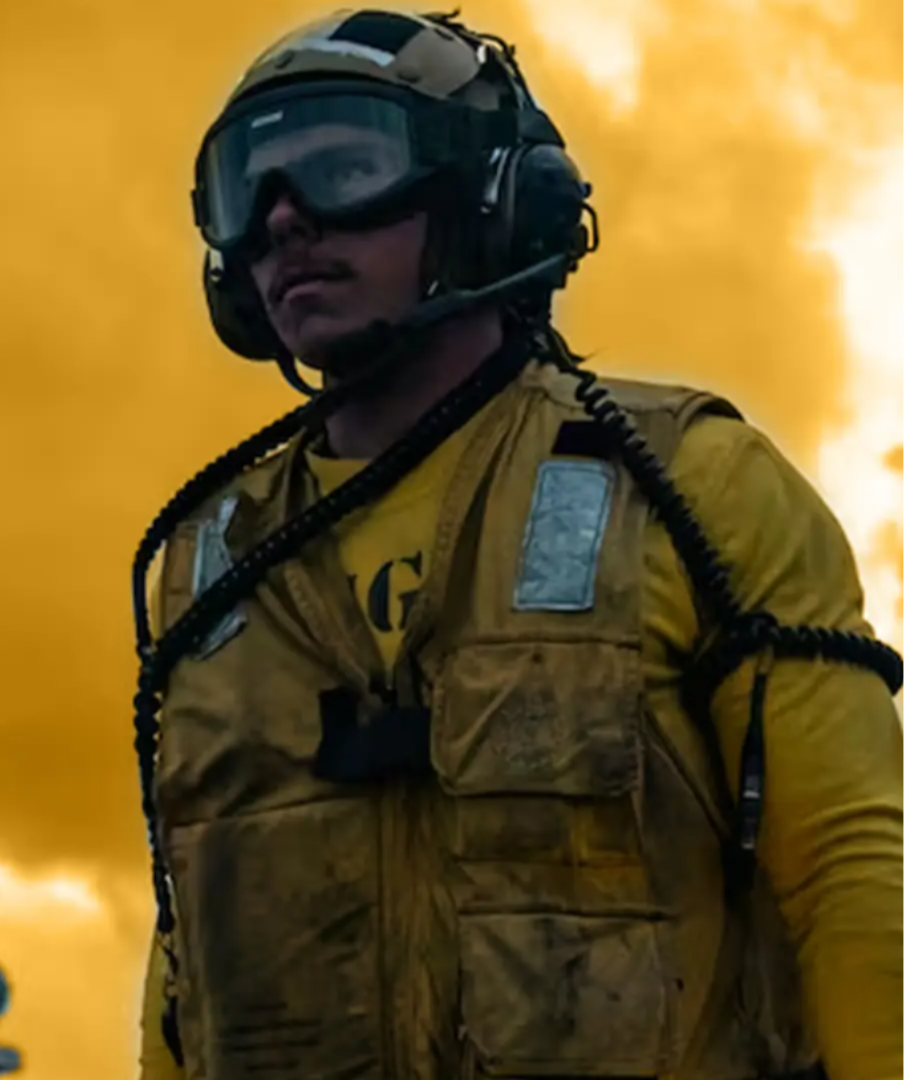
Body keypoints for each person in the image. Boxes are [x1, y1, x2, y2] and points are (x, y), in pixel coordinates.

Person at [129, 9, 904, 1080]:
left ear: (492, 203)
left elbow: (851, 871)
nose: (285, 225)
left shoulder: (690, 482)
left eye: (346, 167)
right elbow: (186, 962)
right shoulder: (209, 568)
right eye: (247, 194)